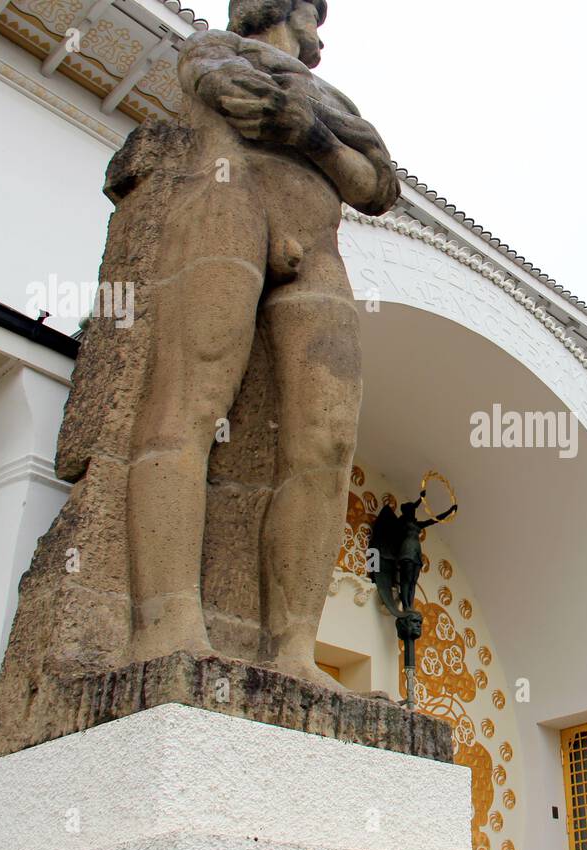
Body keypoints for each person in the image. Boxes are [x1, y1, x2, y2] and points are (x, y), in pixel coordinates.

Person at [126, 0, 399, 684]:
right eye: (313, 10)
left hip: (319, 244)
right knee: (192, 398)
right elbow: (228, 94)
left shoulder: (335, 99)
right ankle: (166, 621)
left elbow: (377, 184)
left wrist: (312, 131)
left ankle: (292, 648)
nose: (319, 28)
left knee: (327, 440)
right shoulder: (213, 46)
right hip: (229, 198)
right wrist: (314, 131)